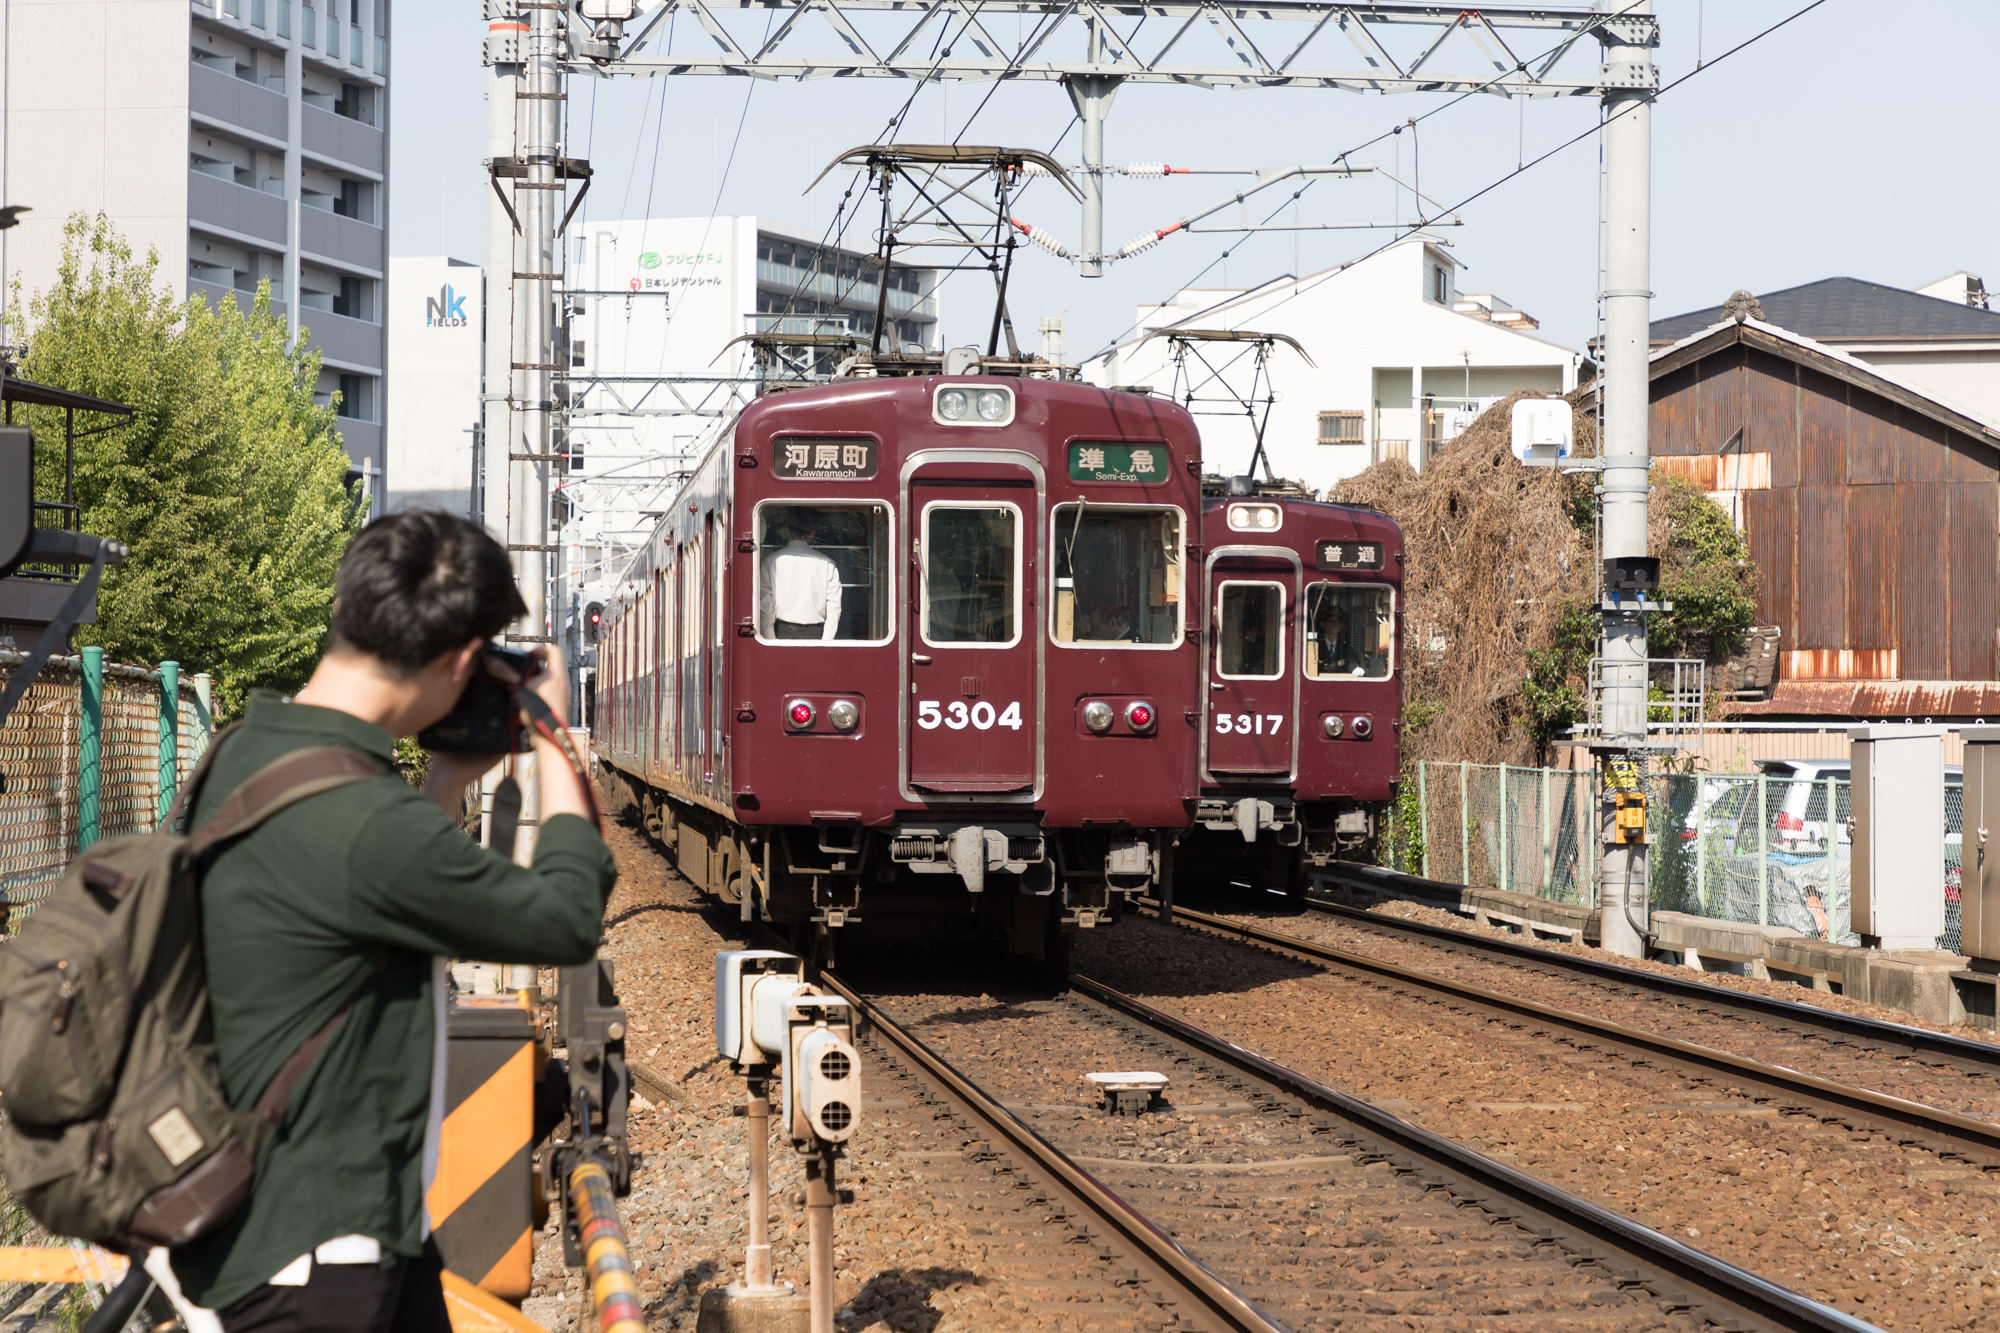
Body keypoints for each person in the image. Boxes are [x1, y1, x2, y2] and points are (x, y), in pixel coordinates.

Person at [160, 510, 617, 1333]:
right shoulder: (365, 820)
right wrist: (553, 736)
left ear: (346, 611)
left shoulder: (243, 752)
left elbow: (367, 916)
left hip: (334, 1230)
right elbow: (565, 918)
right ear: (463, 659)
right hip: (310, 1260)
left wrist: (442, 786)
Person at [759, 512, 844, 640]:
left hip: (782, 632)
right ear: (813, 533)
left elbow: (765, 604)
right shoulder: (827, 563)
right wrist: (826, 641)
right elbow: (834, 606)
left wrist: (770, 639)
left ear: (787, 529)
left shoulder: (770, 561)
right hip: (816, 634)